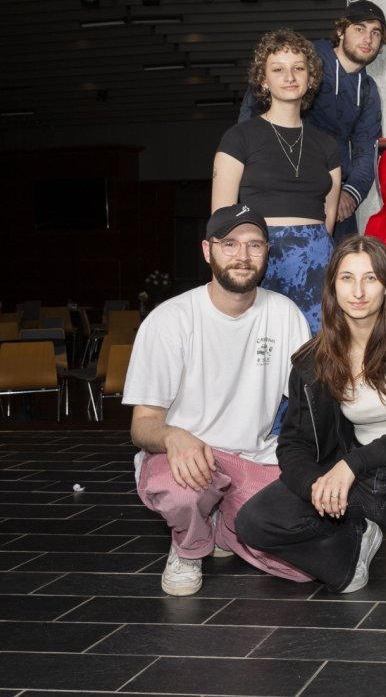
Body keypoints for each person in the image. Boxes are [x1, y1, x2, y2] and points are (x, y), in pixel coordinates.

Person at [236, 236, 386, 613]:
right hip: (354, 486)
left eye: (371, 279)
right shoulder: (313, 359)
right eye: (346, 278)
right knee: (254, 521)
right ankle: (350, 552)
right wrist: (318, 486)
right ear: (332, 287)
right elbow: (293, 445)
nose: (358, 291)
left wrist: (351, 466)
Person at [123, 204, 312, 597]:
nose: (242, 256)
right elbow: (143, 425)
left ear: (266, 252)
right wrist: (175, 437)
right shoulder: (169, 320)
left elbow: (312, 400)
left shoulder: (284, 314)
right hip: (187, 456)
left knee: (303, 567)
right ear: (208, 251)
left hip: (253, 456)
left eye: (254, 245)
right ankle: (189, 547)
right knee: (180, 491)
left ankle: (227, 525)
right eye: (230, 244)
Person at [213, 29, 341, 332]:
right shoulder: (238, 138)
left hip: (317, 262)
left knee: (316, 356)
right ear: (263, 80)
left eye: (298, 68)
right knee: (261, 351)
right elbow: (221, 219)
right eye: (278, 69)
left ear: (310, 78)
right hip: (259, 258)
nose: (290, 76)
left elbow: (329, 216)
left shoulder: (327, 145)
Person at [239, 1, 386, 243]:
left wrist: (349, 195)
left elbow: (368, 151)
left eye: (376, 32)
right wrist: (249, 167)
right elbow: (254, 105)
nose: (368, 39)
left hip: (335, 192)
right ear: (341, 31)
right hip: (279, 184)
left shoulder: (368, 91)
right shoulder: (306, 60)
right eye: (359, 29)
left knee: (340, 268)